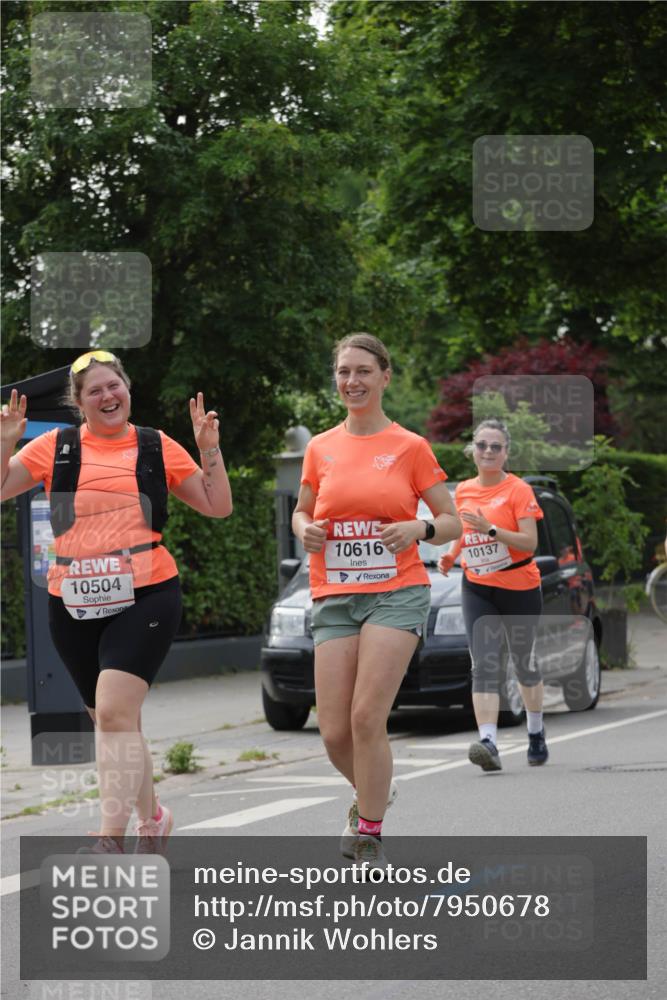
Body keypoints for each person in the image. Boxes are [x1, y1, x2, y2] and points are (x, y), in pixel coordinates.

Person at [0, 350, 232, 853]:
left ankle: (109, 839)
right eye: (94, 391)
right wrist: (5, 444)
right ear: (79, 403)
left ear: (128, 390)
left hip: (146, 590)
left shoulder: (154, 445)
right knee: (115, 719)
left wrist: (208, 450)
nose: (108, 396)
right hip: (72, 598)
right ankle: (154, 819)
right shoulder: (54, 447)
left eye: (114, 386)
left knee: (111, 714)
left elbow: (218, 505)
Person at [292, 333, 461, 868]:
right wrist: (304, 530)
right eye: (344, 371)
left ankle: (369, 834)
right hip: (334, 594)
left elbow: (452, 521)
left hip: (397, 591)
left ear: (385, 376)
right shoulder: (320, 447)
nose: (352, 381)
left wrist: (419, 525)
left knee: (368, 717)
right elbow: (302, 510)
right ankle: (373, 791)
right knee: (335, 730)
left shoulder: (410, 447)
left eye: (364, 370)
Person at [438, 418, 547, 771]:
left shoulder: (518, 491)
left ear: (506, 453)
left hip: (519, 587)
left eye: (495, 447)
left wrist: (494, 529)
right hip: (478, 587)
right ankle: (488, 742)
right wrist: (452, 555)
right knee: (483, 663)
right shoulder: (465, 490)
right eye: (482, 445)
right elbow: (463, 529)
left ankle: (535, 731)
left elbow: (529, 543)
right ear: (473, 449)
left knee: (523, 664)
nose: (487, 451)